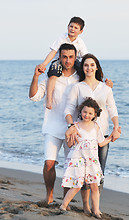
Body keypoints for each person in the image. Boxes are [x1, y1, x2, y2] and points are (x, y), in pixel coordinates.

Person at [64, 53, 121, 215]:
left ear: (97, 67)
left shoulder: (106, 88)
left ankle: (96, 207)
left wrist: (116, 127)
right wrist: (71, 126)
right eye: (86, 65)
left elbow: (112, 108)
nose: (89, 68)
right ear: (83, 68)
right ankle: (86, 206)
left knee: (97, 173)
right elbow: (69, 109)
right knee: (83, 174)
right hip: (82, 137)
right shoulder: (78, 87)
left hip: (101, 135)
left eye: (92, 65)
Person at [29, 43, 80, 206]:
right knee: (49, 163)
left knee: (69, 166)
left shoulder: (80, 77)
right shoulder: (51, 76)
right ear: (59, 57)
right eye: (64, 57)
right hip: (52, 126)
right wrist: (35, 76)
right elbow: (34, 97)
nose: (67, 60)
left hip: (72, 128)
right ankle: (49, 196)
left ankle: (65, 201)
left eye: (71, 57)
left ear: (75, 57)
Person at [60, 97, 112, 219]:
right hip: (78, 159)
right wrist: (67, 134)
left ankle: (96, 210)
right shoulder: (75, 126)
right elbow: (69, 144)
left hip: (92, 161)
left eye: (90, 113)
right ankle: (63, 205)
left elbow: (101, 143)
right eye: (84, 112)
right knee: (77, 185)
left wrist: (111, 138)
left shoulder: (96, 127)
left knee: (94, 185)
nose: (86, 115)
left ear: (95, 115)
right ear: (80, 112)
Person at [37, 16, 88, 110]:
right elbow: (53, 52)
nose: (72, 29)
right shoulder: (62, 37)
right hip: (59, 60)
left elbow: (86, 57)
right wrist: (44, 64)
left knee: (83, 70)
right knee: (53, 74)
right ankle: (49, 99)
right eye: (71, 26)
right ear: (67, 26)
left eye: (76, 28)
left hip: (73, 61)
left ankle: (82, 98)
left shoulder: (80, 42)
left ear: (81, 31)